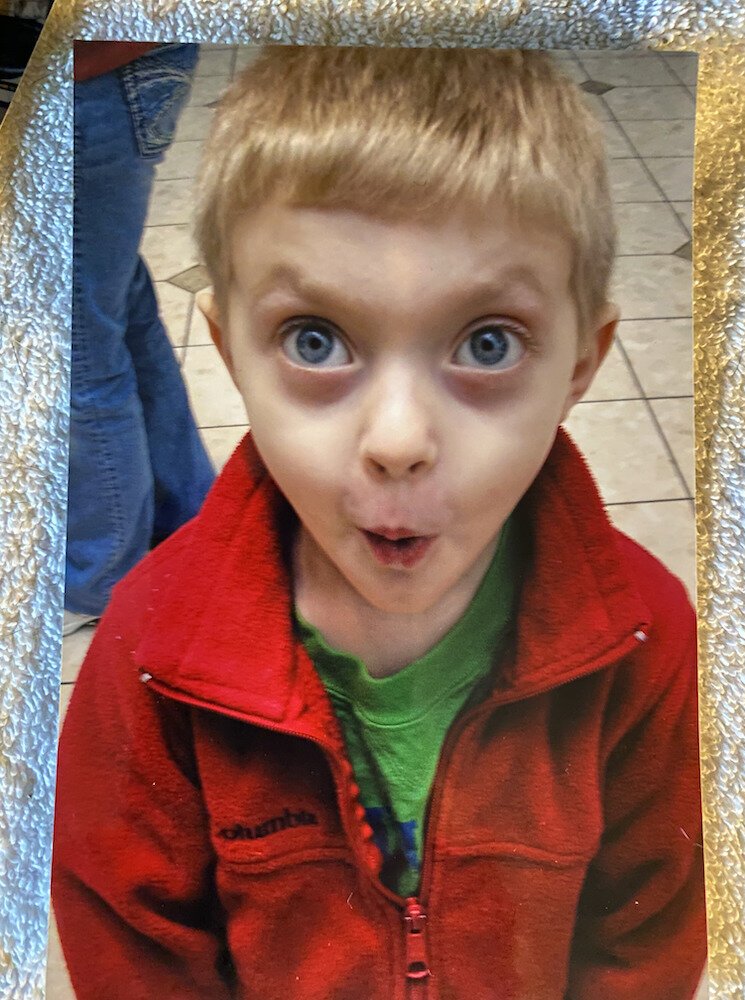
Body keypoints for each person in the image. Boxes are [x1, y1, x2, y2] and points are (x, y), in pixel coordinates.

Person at [52, 47, 706, 999]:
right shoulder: (152, 651)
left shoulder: (643, 639)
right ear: (233, 354)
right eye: (316, 339)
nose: (397, 440)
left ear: (580, 364)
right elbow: (134, 948)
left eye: (487, 343)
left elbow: (648, 933)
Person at [64, 41, 215, 635]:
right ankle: (188, 515)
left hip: (86, 78)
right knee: (118, 309)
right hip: (119, 75)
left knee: (80, 348)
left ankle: (101, 577)